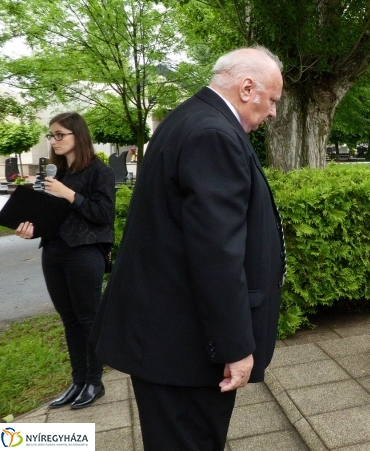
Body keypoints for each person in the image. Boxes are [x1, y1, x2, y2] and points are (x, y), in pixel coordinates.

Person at [93, 47, 286, 451]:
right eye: (272, 100)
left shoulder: (189, 119)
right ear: (247, 88)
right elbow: (216, 255)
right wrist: (236, 347)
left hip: (165, 338)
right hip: (184, 350)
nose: (272, 113)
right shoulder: (213, 134)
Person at [15, 112, 115, 409]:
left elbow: (103, 215)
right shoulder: (53, 173)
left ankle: (95, 382)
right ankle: (78, 381)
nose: (54, 141)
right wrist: (30, 228)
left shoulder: (99, 171)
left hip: (84, 252)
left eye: (60, 135)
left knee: (88, 319)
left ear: (78, 136)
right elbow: (44, 215)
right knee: (69, 320)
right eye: (51, 135)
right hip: (53, 252)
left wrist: (69, 194)